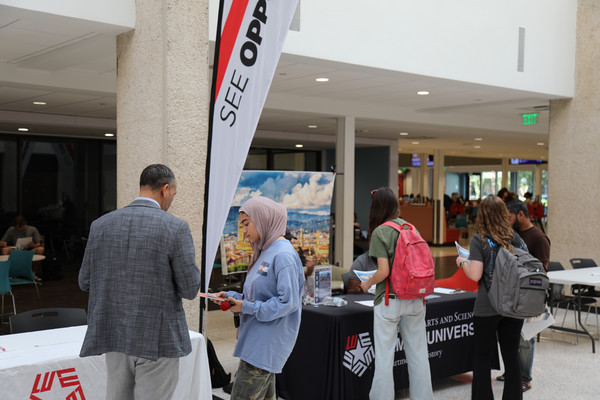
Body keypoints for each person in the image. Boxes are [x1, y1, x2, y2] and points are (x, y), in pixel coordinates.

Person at [78, 164, 201, 400]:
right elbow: (189, 289)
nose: (172, 200)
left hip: (113, 332)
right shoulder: (176, 228)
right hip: (157, 338)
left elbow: (85, 281)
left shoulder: (100, 225)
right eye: (173, 194)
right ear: (165, 189)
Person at [214, 196, 304, 400]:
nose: (244, 231)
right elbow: (258, 296)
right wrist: (230, 297)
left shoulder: (283, 256)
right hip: (256, 340)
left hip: (265, 344)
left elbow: (287, 302)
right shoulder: (265, 250)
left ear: (264, 219)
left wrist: (246, 307)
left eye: (246, 224)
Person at [359, 187, 433, 400]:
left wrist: (366, 284)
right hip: (416, 298)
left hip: (390, 300)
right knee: (419, 354)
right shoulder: (411, 227)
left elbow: (383, 272)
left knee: (384, 357)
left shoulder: (381, 231)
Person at [456, 195, 526, 400]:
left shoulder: (480, 240)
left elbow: (476, 274)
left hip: (488, 306)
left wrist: (462, 262)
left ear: (482, 215)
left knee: (482, 357)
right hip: (513, 305)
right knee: (511, 356)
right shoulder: (517, 239)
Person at [502, 199, 551, 392]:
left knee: (525, 338)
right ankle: (512, 372)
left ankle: (525, 378)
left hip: (530, 295)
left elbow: (542, 271)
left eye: (509, 216)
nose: (507, 220)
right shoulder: (511, 235)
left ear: (520, 215)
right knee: (509, 336)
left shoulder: (539, 238)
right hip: (511, 293)